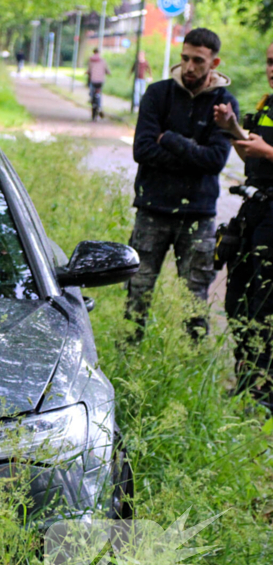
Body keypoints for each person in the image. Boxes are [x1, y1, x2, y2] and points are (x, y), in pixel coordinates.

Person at [125, 28, 238, 340]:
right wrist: (193, 155)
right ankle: (127, 358)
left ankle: (191, 361)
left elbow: (215, 161)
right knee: (137, 294)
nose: (190, 67)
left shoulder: (224, 105)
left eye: (198, 61)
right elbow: (142, 150)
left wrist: (170, 139)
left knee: (194, 301)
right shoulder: (157, 94)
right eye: (185, 58)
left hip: (198, 216)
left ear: (214, 63)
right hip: (152, 209)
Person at [214, 42, 273, 405]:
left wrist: (266, 150)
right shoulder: (267, 104)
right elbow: (251, 151)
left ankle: (264, 396)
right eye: (270, 62)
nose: (272, 69)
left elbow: (265, 150)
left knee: (267, 307)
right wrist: (233, 127)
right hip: (253, 212)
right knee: (238, 300)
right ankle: (245, 382)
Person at [86, 48, 110, 116]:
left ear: (93, 52)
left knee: (91, 90)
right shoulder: (103, 61)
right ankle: (99, 107)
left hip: (93, 80)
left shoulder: (91, 60)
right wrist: (108, 73)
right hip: (100, 81)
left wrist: (87, 72)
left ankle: (91, 97)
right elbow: (107, 70)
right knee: (99, 93)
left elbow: (89, 70)